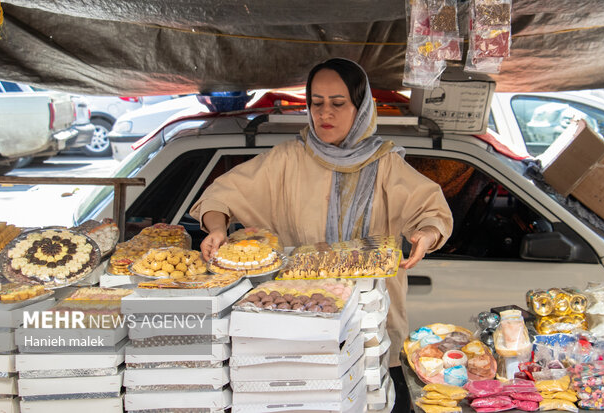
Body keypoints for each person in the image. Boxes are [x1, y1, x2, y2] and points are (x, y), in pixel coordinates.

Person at [190, 58, 453, 410]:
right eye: (316, 103)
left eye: (338, 103)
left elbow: (432, 210)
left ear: (361, 108)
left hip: (371, 326)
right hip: (302, 321)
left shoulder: (385, 164)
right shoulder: (287, 160)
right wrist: (218, 227)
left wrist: (425, 235)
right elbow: (222, 194)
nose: (324, 113)